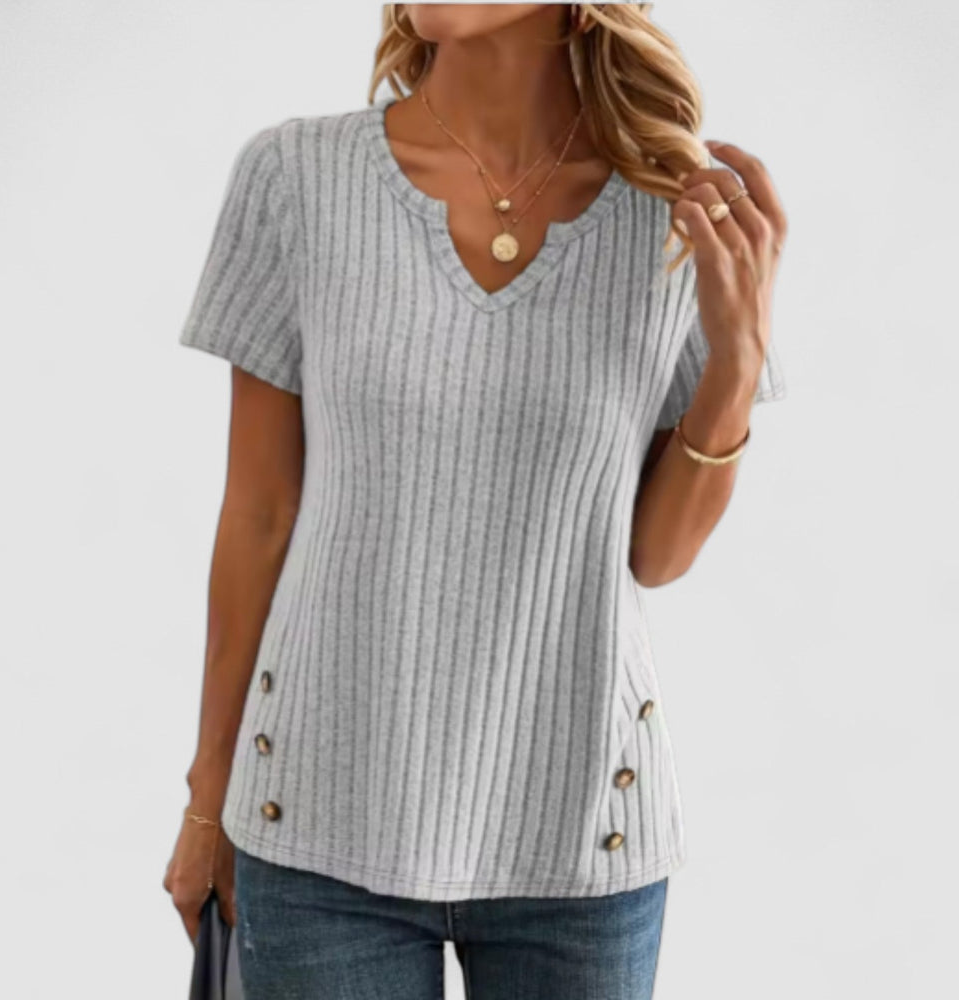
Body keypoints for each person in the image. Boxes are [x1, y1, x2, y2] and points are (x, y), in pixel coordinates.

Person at [162, 4, 788, 997]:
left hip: (583, 831)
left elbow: (656, 555)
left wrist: (735, 366)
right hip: (317, 827)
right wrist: (208, 798)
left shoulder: (673, 213)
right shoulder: (297, 178)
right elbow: (259, 515)